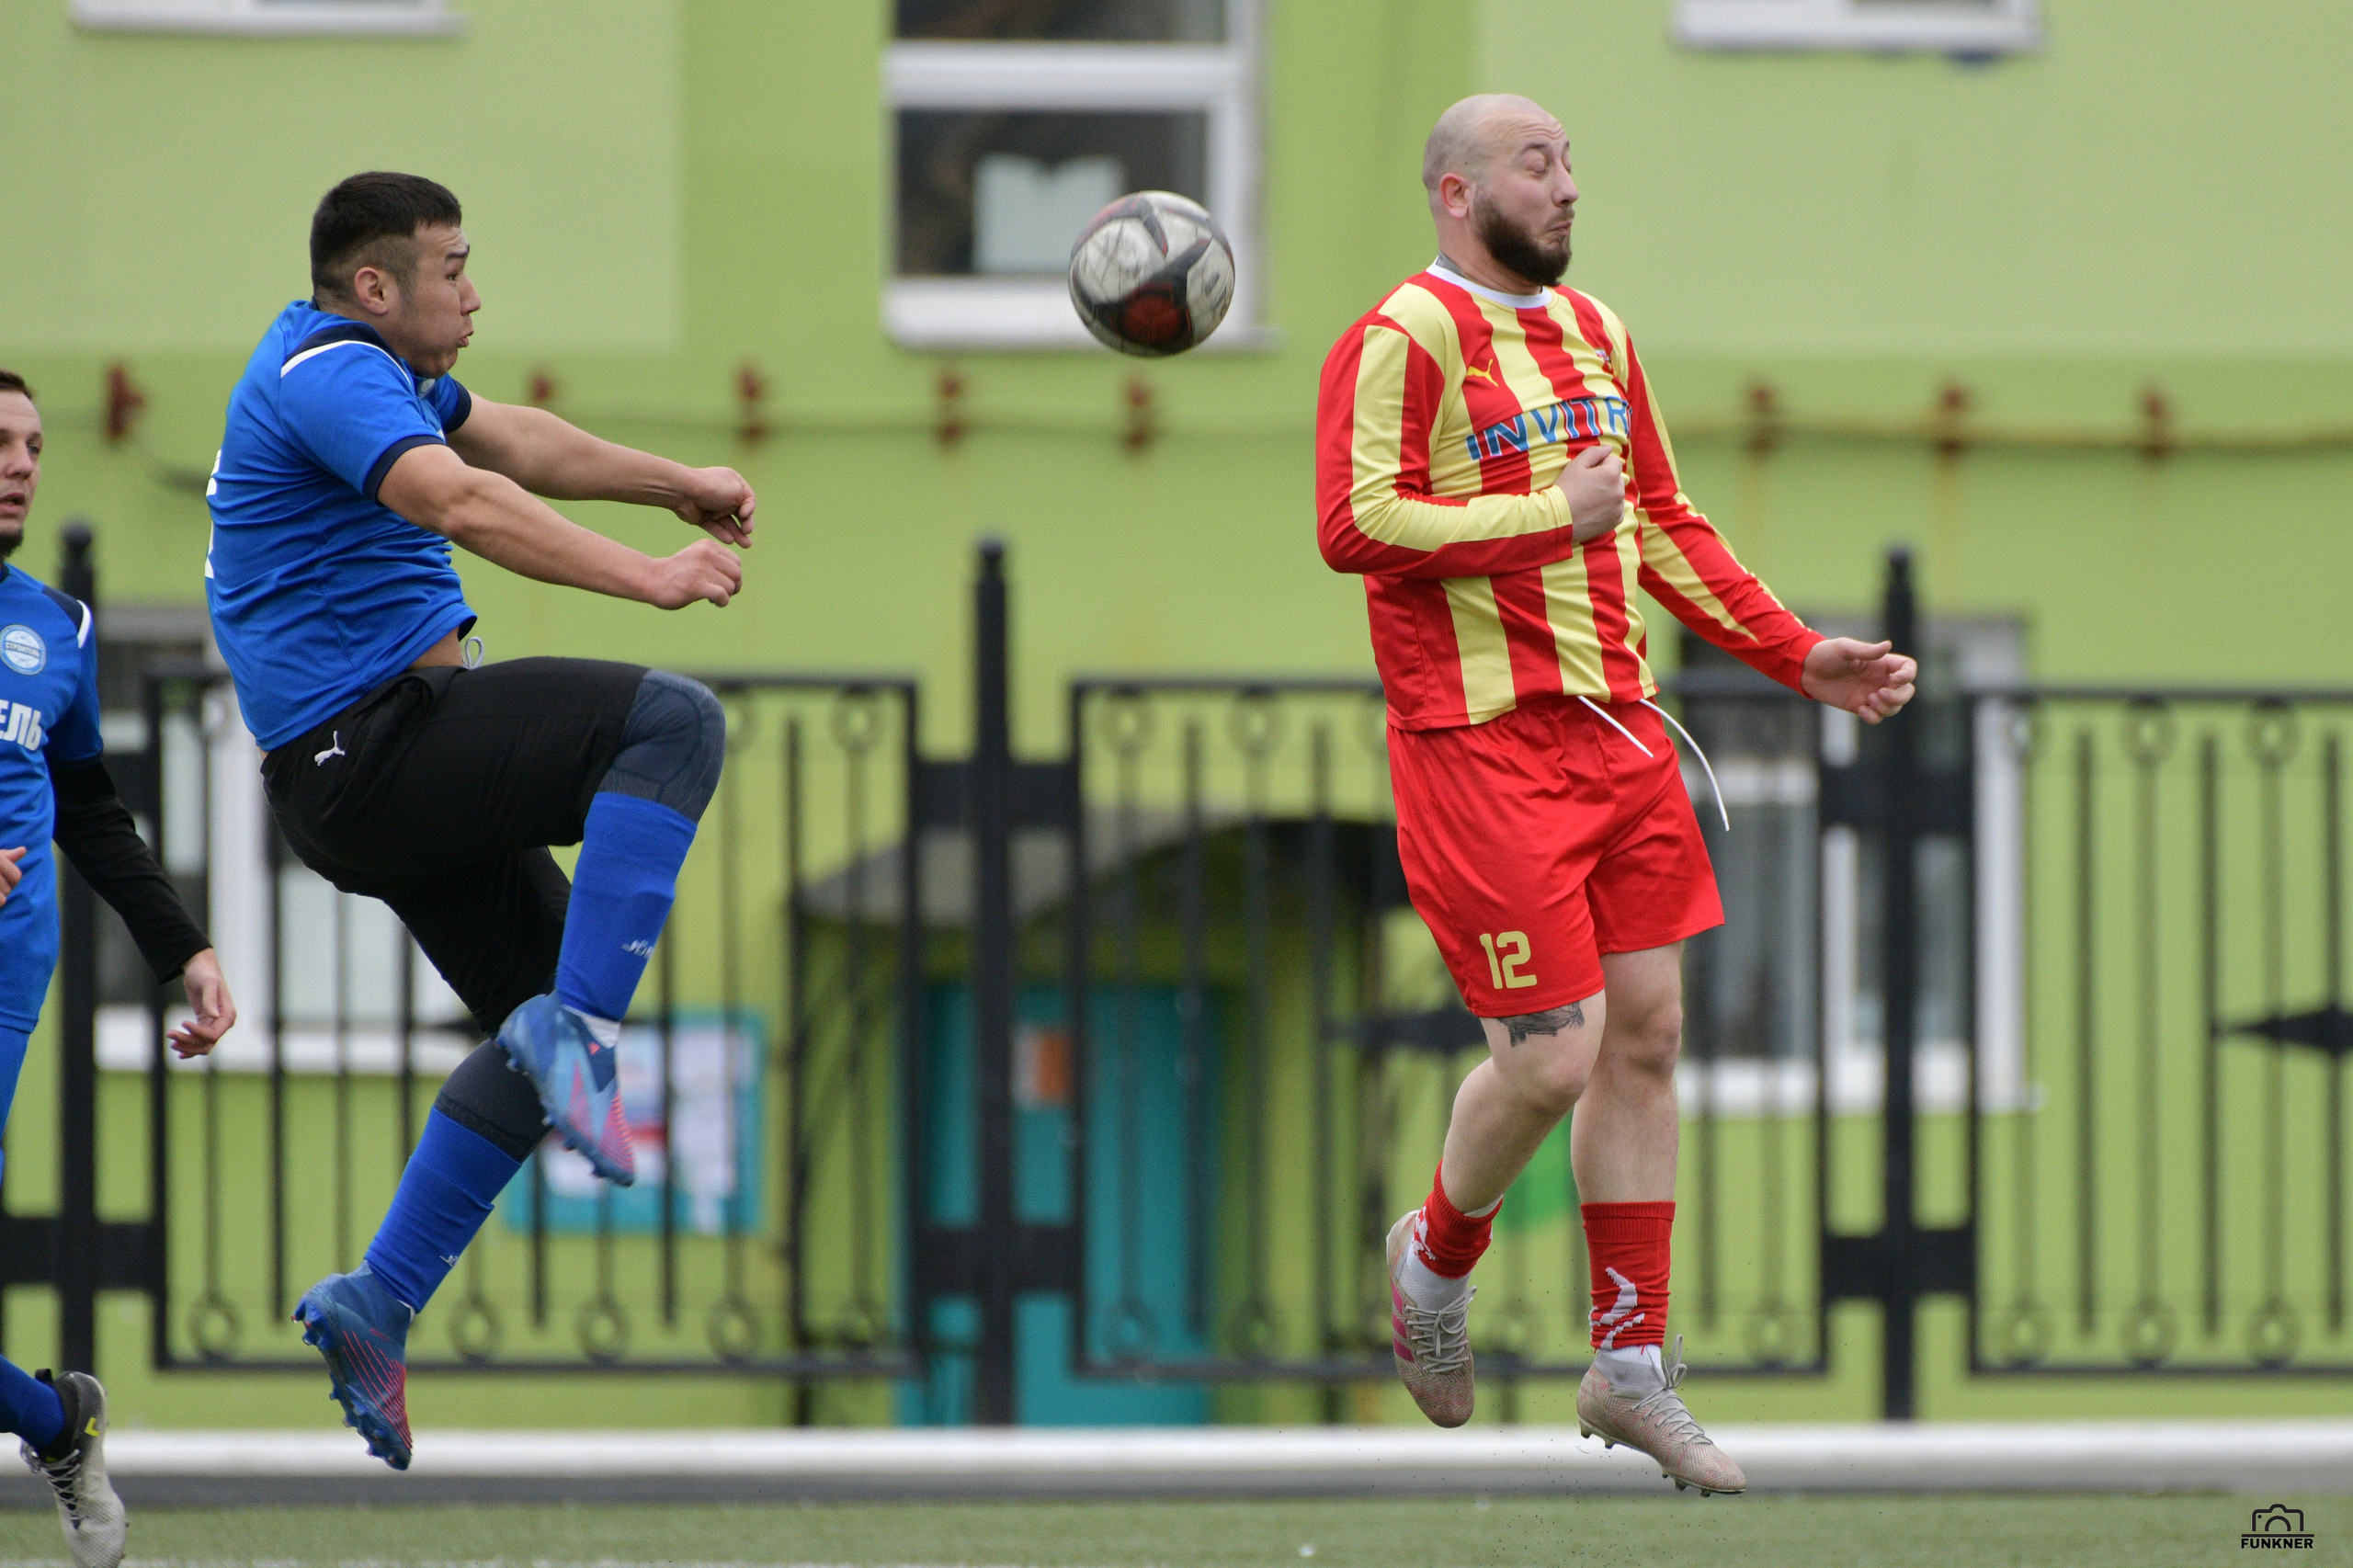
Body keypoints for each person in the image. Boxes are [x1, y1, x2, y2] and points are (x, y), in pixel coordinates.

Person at [1315, 96, 1916, 1494]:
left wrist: (1794, 652)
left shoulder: (1600, 336)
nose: (1569, 188)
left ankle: (1630, 1365)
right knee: (1552, 1058)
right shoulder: (1401, 337)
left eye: (1573, 162)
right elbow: (1355, 520)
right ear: (1457, 194)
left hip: (1622, 738)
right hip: (1479, 745)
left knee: (1648, 1035)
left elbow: (1657, 519)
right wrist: (1546, 515)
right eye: (1539, 164)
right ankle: (1436, 1257)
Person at [203, 172, 754, 1471]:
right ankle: (583, 1031)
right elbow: (463, 501)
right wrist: (653, 577)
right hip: (375, 749)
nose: (475, 290)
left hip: (354, 778)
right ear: (380, 286)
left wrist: (673, 481)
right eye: (453, 267)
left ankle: (378, 1301)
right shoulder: (331, 372)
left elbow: (518, 442)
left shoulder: (370, 372)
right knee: (672, 723)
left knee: (540, 1017)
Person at [0, 367, 238, 1567]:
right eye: (0, 440)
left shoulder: (59, 631)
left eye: (34, 442)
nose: (22, 462)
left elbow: (91, 813)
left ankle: (57, 1420)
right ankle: (58, 1419)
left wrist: (183, 945)